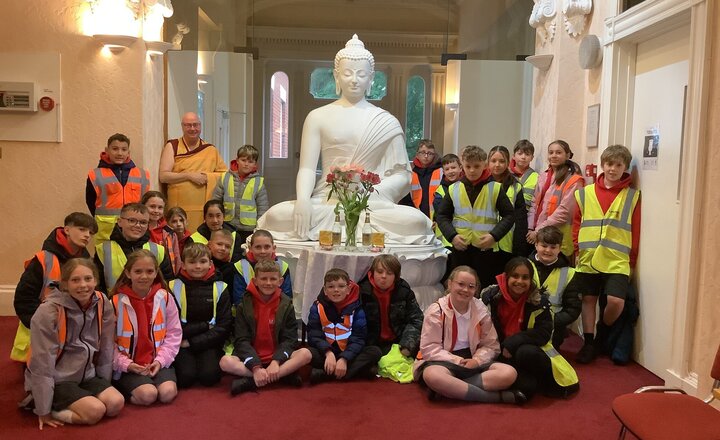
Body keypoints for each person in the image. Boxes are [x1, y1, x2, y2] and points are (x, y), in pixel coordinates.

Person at [258, 34, 434, 245]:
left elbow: (402, 175)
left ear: (371, 79)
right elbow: (306, 168)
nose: (354, 80)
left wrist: (369, 195)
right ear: (336, 76)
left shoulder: (386, 121)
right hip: (327, 202)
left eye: (361, 74)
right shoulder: (318, 116)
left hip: (370, 206)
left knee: (415, 222)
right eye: (348, 73)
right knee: (277, 216)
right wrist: (303, 201)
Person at [25, 259, 123, 429]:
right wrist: (43, 409)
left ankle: (82, 400)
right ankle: (42, 404)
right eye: (75, 280)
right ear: (65, 283)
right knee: (95, 412)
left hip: (87, 375)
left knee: (115, 403)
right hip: (58, 379)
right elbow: (42, 361)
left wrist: (104, 382)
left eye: (88, 278)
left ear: (96, 281)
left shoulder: (101, 301)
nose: (83, 285)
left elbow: (106, 347)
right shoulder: (48, 311)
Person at [413, 266, 524, 404]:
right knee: (433, 376)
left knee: (508, 373)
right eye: (461, 284)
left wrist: (476, 360)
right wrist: (457, 361)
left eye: (471, 286)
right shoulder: (436, 310)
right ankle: (495, 398)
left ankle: (449, 388)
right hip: (444, 361)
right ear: (450, 284)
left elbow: (491, 345)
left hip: (473, 359)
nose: (465, 290)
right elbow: (429, 348)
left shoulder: (481, 309)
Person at [573, 145, 641, 364]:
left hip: (617, 259)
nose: (613, 169)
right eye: (609, 164)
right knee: (589, 300)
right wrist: (577, 248)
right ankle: (589, 343)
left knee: (615, 301)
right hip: (588, 257)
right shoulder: (585, 193)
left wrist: (632, 260)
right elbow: (577, 223)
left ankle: (602, 333)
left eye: (618, 165)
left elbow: (636, 230)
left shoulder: (631, 196)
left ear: (625, 167)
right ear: (603, 165)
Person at [481, 257, 579, 399]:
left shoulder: (540, 300)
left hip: (528, 351)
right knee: (528, 387)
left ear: (531, 280)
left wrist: (512, 342)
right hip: (498, 351)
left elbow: (543, 333)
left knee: (525, 353)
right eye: (515, 276)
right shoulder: (490, 297)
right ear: (506, 276)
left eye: (525, 277)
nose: (520, 281)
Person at [12, 212, 98, 362]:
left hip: (73, 332)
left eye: (90, 232)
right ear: (66, 230)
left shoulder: (86, 262)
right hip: (41, 331)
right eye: (82, 229)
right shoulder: (43, 259)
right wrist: (44, 327)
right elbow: (23, 300)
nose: (87, 236)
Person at [219, 260, 311, 395]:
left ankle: (253, 380)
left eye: (273, 279)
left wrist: (276, 360)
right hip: (252, 358)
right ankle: (277, 376)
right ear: (255, 281)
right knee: (225, 362)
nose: (268, 283)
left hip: (277, 356)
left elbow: (290, 340)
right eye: (263, 278)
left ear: (280, 281)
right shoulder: (243, 306)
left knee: (306, 354)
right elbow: (241, 340)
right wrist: (256, 367)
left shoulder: (287, 305)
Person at [435, 145, 515, 288]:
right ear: (462, 166)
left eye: (476, 166)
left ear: (485, 164)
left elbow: (509, 215)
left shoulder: (495, 188)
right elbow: (441, 216)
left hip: (486, 249)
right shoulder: (454, 189)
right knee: (459, 288)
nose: (472, 170)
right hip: (460, 248)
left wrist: (494, 236)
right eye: (468, 166)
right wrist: (452, 236)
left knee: (483, 289)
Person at [111, 250, 181, 405]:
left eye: (150, 271)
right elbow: (107, 344)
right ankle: (130, 388)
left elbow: (174, 334)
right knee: (148, 395)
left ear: (156, 272)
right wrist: (126, 365)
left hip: (158, 361)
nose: (144, 276)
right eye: (138, 271)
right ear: (128, 273)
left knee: (167, 393)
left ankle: (151, 382)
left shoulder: (165, 297)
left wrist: (161, 361)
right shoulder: (115, 302)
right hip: (129, 365)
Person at [169, 243, 232, 388]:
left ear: (210, 264)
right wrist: (205, 326)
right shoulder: (172, 287)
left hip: (209, 342)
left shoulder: (221, 288)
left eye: (202, 262)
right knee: (185, 378)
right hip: (181, 342)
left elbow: (223, 326)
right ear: (183, 265)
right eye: (192, 262)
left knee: (209, 377)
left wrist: (193, 342)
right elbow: (173, 326)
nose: (198, 266)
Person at [307, 268, 382, 383]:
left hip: (348, 353)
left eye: (341, 286)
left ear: (348, 289)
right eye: (331, 287)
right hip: (326, 353)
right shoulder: (317, 307)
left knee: (375, 351)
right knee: (308, 352)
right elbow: (314, 335)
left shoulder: (357, 309)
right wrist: (328, 352)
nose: (336, 290)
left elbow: (359, 338)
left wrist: (344, 358)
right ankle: (355, 372)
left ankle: (326, 374)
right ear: (325, 290)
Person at [159, 112, 228, 231]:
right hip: (178, 208)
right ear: (182, 127)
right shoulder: (173, 146)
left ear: (200, 126)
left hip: (203, 210)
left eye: (195, 125)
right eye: (188, 125)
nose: (192, 128)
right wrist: (189, 176)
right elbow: (164, 176)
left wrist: (207, 177)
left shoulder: (210, 149)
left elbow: (225, 176)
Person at [94, 203, 174, 294]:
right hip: (115, 305)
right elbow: (98, 286)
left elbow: (166, 284)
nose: (138, 225)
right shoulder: (103, 250)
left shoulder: (158, 250)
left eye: (143, 222)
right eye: (132, 220)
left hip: (150, 306)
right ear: (119, 221)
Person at [86, 133, 151, 244]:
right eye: (115, 149)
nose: (119, 153)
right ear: (107, 150)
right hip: (106, 230)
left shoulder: (142, 174)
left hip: (134, 227)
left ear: (128, 152)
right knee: (106, 258)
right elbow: (90, 202)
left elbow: (145, 201)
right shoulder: (95, 174)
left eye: (124, 149)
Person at [526, 140, 584, 260]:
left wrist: (538, 230)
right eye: (551, 152)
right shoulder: (544, 176)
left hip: (558, 239)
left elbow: (564, 212)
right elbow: (534, 204)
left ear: (567, 155)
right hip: (538, 235)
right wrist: (531, 228)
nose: (554, 155)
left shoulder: (574, 180)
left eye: (558, 152)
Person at [357, 254, 423, 357]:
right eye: (379, 272)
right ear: (372, 273)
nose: (384, 276)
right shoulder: (361, 291)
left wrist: (406, 345)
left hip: (399, 342)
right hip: (371, 345)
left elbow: (416, 320)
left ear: (396, 276)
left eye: (389, 273)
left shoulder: (404, 291)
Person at [530, 226, 581, 348]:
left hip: (553, 330)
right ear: (536, 245)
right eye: (544, 246)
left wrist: (550, 322)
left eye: (553, 247)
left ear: (559, 248)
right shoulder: (524, 266)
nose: (548, 250)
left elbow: (573, 309)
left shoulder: (570, 274)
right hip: (524, 326)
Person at [212, 144, 269, 246]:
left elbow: (263, 208)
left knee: (245, 255)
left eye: (250, 161)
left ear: (255, 164)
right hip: (227, 226)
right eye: (243, 160)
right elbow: (216, 201)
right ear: (237, 160)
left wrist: (259, 229)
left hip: (248, 229)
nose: (246, 164)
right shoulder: (225, 177)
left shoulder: (258, 182)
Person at [488, 145, 530, 263]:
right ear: (488, 162)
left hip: (508, 243)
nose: (497, 165)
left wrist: (520, 248)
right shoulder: (482, 184)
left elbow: (521, 219)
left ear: (507, 163)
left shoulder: (515, 186)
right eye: (493, 161)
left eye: (502, 161)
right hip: (486, 241)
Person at [232, 229, 291, 306]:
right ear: (250, 248)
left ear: (273, 248)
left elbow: (286, 297)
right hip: (247, 313)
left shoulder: (283, 267)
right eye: (258, 247)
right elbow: (239, 299)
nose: (262, 251)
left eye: (267, 247)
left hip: (275, 313)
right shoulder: (240, 267)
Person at [400, 139, 443, 218]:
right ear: (417, 155)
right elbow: (407, 200)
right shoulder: (411, 175)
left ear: (434, 156)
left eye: (430, 153)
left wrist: (438, 219)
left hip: (438, 218)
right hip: (417, 217)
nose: (426, 156)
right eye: (423, 152)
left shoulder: (441, 172)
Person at [142, 191, 181, 276]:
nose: (156, 211)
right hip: (143, 274)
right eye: (152, 206)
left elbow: (176, 258)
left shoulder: (170, 233)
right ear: (143, 206)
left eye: (160, 208)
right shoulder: (138, 231)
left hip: (165, 275)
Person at [510, 139, 539, 210]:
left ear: (532, 158)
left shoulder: (536, 177)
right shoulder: (506, 174)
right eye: (520, 153)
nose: (523, 157)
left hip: (526, 216)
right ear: (513, 156)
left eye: (527, 154)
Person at [207, 229, 237, 294]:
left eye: (227, 246)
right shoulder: (201, 263)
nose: (223, 248)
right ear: (209, 244)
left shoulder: (231, 270)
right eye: (219, 244)